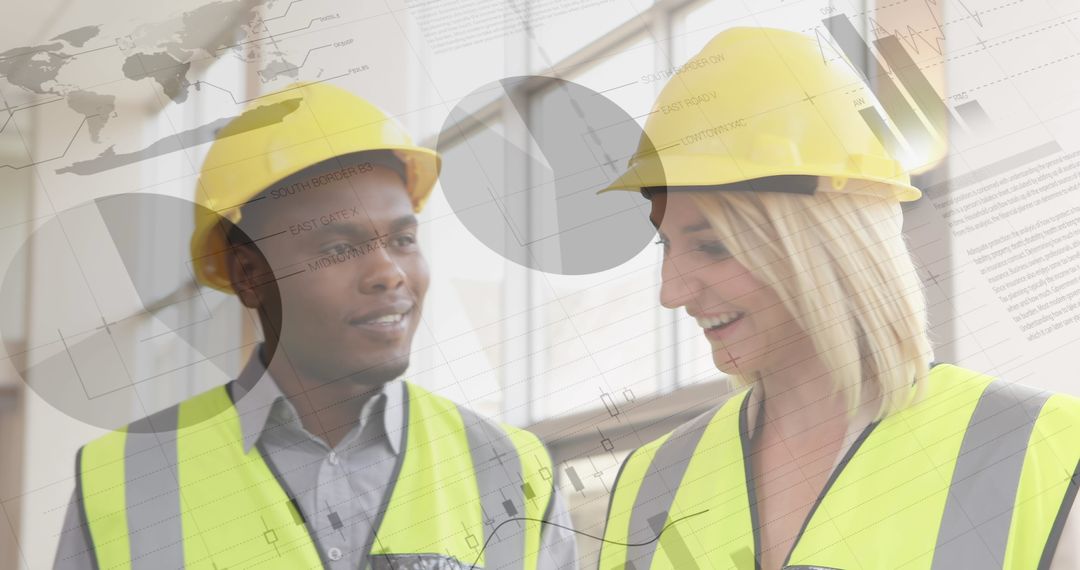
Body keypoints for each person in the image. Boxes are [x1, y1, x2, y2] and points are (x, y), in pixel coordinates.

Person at [598, 27, 1080, 569]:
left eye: (713, 246)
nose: (672, 292)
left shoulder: (1041, 448)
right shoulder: (652, 479)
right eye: (666, 244)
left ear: (830, 245)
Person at [54, 82, 578, 569]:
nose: (389, 274)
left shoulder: (513, 467)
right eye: (338, 248)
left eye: (402, 240)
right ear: (249, 275)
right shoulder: (121, 478)